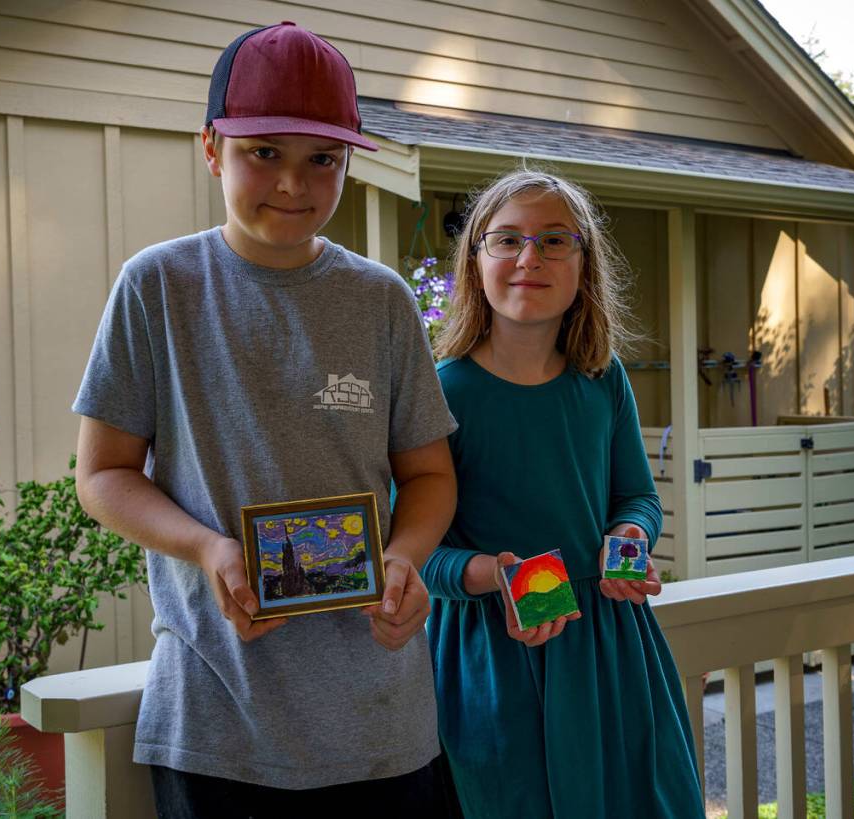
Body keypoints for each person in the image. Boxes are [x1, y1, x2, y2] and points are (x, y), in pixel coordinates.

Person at [72, 22, 458, 817]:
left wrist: (405, 559)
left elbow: (428, 476)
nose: (294, 183)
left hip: (384, 725)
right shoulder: (157, 286)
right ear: (212, 148)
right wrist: (207, 547)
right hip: (219, 722)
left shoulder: (382, 299)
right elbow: (102, 476)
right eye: (264, 151)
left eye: (323, 158)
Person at [421, 169, 705, 818]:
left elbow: (637, 495)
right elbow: (411, 550)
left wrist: (631, 534)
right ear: (476, 259)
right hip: (491, 658)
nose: (530, 258)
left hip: (610, 650)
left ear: (584, 263)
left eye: (555, 240)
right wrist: (495, 574)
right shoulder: (440, 392)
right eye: (507, 240)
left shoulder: (604, 380)